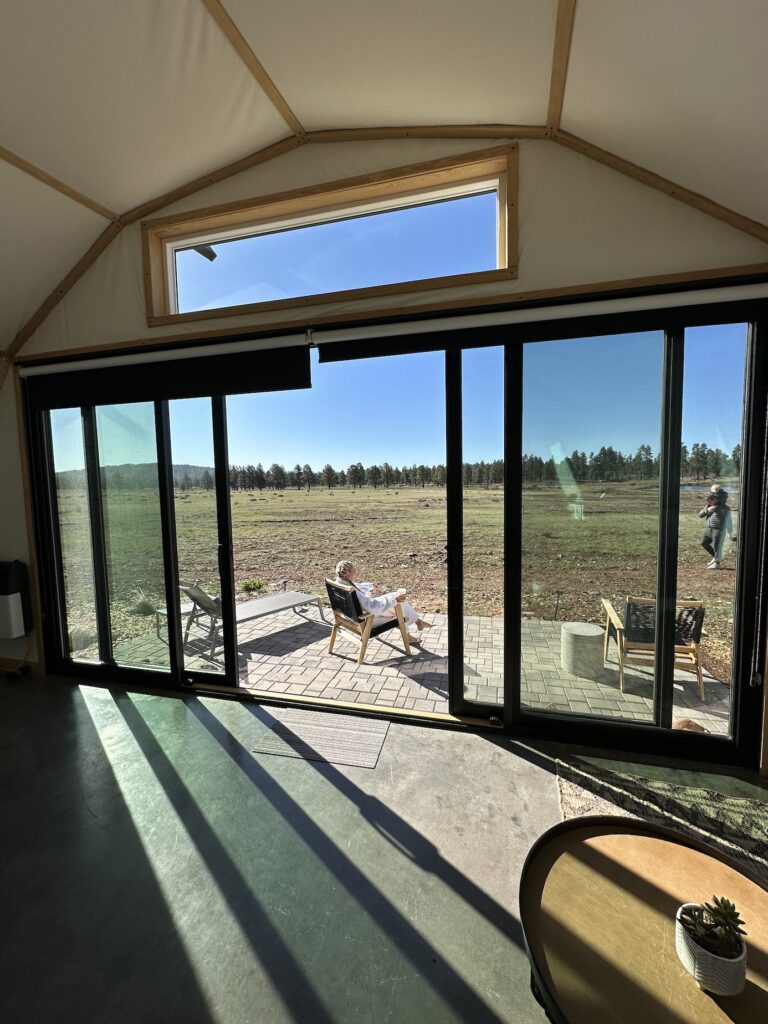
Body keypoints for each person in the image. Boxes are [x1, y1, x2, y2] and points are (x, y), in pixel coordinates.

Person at [334, 560, 430, 643]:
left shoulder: (339, 584)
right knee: (399, 607)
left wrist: (371, 586)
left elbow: (357, 586)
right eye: (354, 571)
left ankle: (417, 623)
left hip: (348, 618)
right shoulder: (352, 591)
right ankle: (415, 626)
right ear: (347, 574)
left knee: (395, 598)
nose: (356, 572)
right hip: (366, 621)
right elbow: (372, 607)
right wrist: (395, 600)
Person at [698, 485, 735, 569]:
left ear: (718, 498)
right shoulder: (709, 505)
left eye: (714, 498)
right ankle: (715, 558)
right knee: (704, 543)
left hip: (719, 530)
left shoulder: (725, 508)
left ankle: (717, 564)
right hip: (709, 529)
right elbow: (700, 515)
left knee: (717, 547)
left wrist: (730, 532)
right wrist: (707, 510)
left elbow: (728, 520)